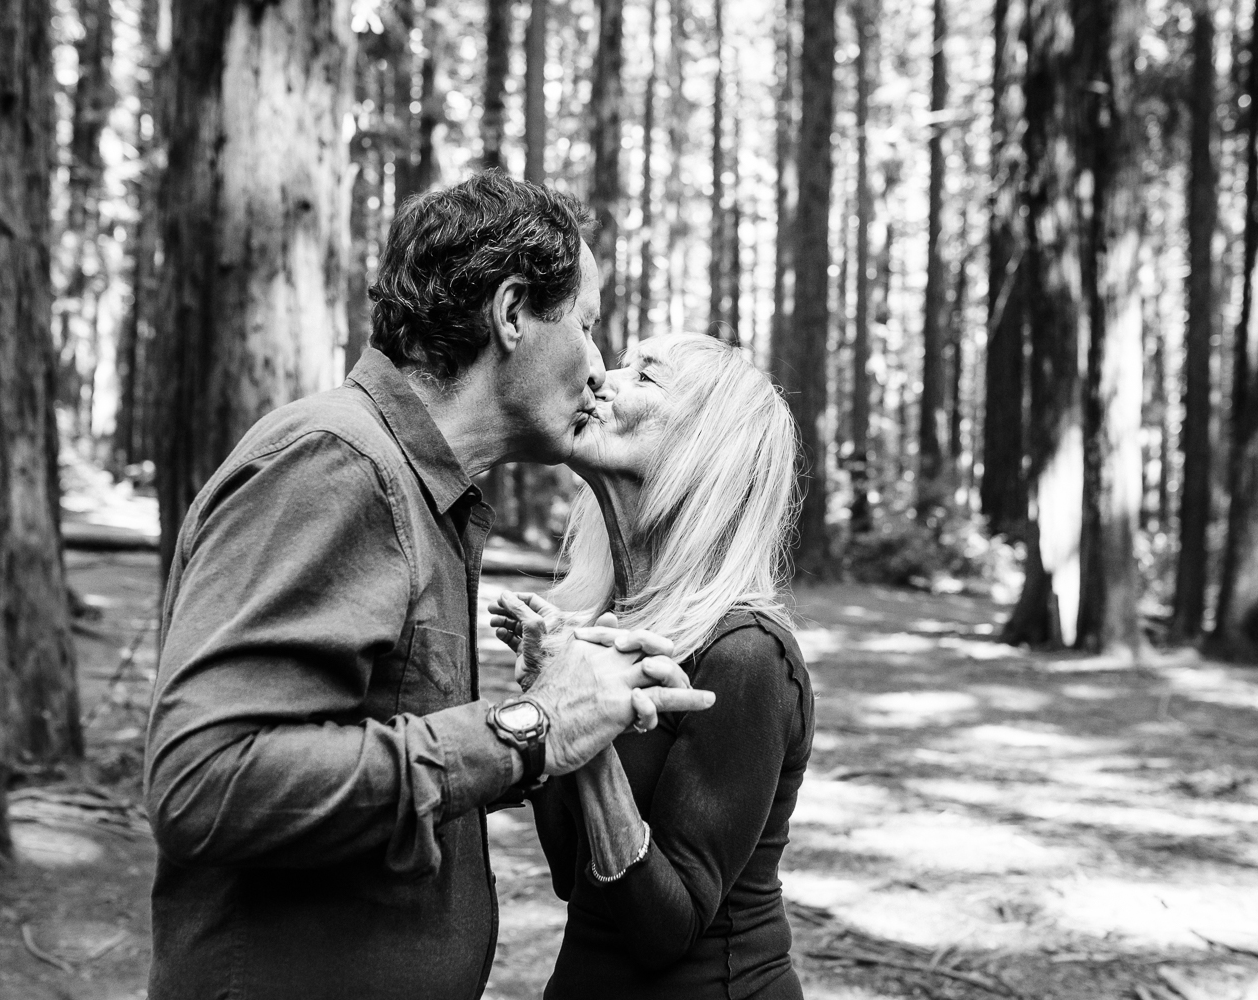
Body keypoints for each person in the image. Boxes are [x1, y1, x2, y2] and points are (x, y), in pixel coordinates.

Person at [142, 174, 715, 1000]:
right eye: (587, 325)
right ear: (513, 313)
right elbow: (207, 782)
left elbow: (381, 755)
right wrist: (531, 728)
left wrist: (563, 709)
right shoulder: (338, 466)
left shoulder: (418, 492)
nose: (598, 367)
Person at [490, 334, 816, 999]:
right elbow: (571, 876)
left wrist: (589, 718)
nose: (599, 377)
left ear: (704, 449)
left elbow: (662, 931)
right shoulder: (610, 626)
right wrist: (549, 693)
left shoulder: (747, 654)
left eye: (646, 375)